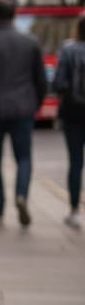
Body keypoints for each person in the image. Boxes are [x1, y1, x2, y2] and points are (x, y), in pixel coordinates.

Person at [0, 0, 47, 225]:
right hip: (23, 107)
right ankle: (21, 195)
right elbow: (41, 80)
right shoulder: (30, 42)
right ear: (14, 16)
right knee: (24, 157)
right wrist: (35, 103)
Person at [53, 12, 85, 229]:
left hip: (73, 113)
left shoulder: (68, 49)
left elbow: (58, 83)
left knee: (75, 162)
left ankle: (74, 209)